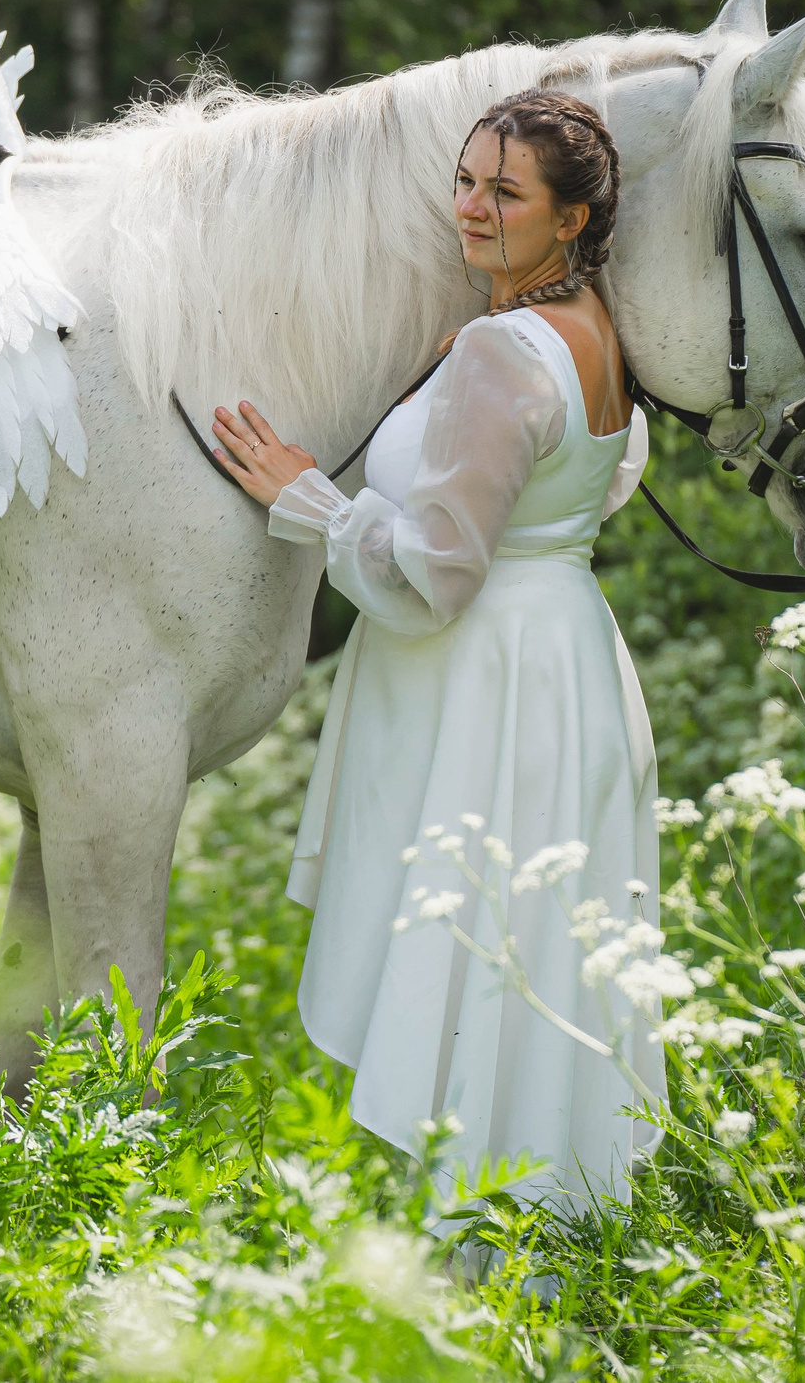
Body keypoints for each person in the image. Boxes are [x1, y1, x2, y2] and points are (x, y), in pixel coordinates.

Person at [210, 88, 662, 1224]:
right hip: (563, 656)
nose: (471, 207)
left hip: (485, 672)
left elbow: (435, 576)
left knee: (478, 925)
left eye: (505, 192)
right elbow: (580, 493)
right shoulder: (597, 329)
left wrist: (306, 498)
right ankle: (533, 1219)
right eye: (465, 181)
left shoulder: (504, 350)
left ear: (570, 219)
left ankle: (481, 1231)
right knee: (525, 937)